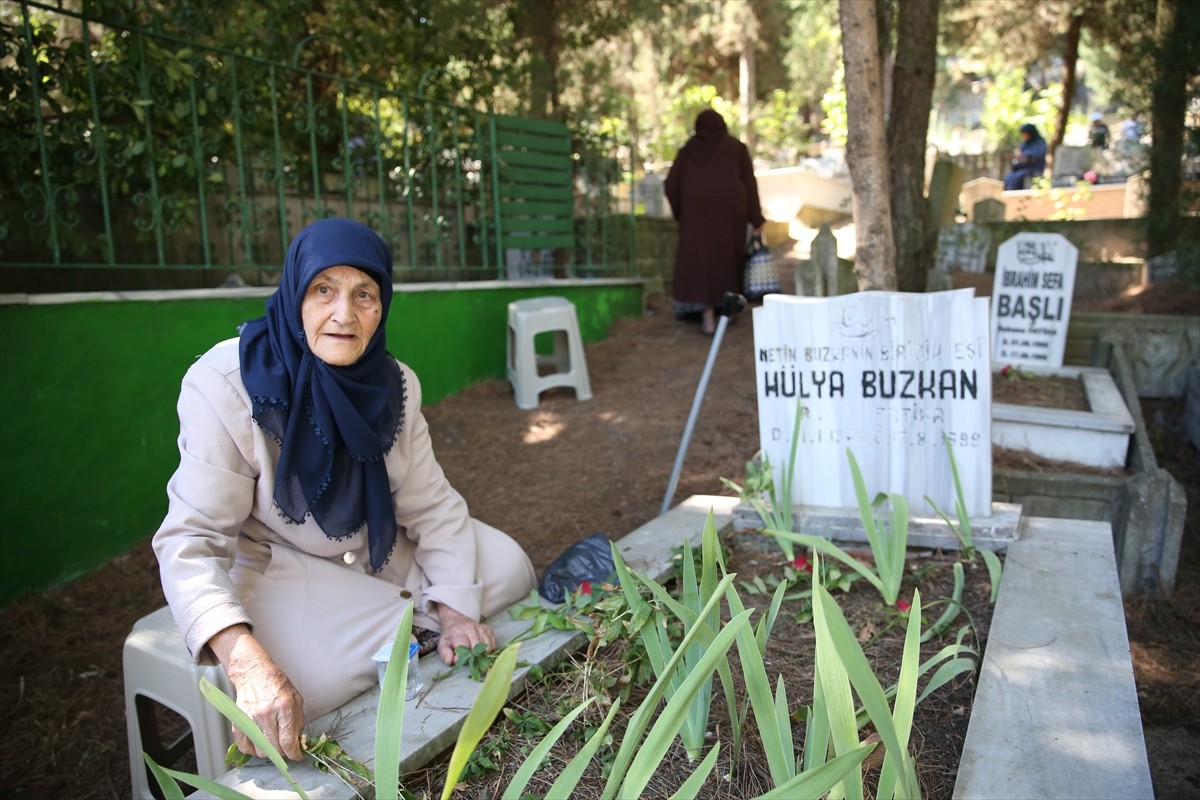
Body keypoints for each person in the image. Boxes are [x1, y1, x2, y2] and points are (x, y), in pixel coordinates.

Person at [153, 217, 537, 760]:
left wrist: (454, 610)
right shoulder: (226, 385)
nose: (344, 314)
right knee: (309, 685)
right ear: (294, 292)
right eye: (323, 290)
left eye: (365, 295)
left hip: (383, 550)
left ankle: (416, 628)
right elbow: (188, 542)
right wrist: (245, 661)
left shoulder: (393, 383)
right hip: (285, 567)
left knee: (509, 564)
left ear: (383, 308)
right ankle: (410, 634)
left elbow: (431, 503)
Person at [664, 108, 765, 335]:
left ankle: (707, 317)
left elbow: (670, 185)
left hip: (695, 218)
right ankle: (724, 312)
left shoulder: (687, 152)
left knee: (699, 264)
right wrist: (755, 218)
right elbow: (749, 184)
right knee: (725, 261)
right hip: (729, 217)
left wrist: (682, 211)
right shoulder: (736, 149)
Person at [1004, 123, 1047, 190]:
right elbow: (1020, 155)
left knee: (1017, 177)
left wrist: (1025, 155)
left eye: (1025, 134)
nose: (1024, 136)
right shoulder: (1025, 144)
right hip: (1022, 167)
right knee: (1009, 177)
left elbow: (1038, 155)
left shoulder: (1040, 142)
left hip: (1034, 168)